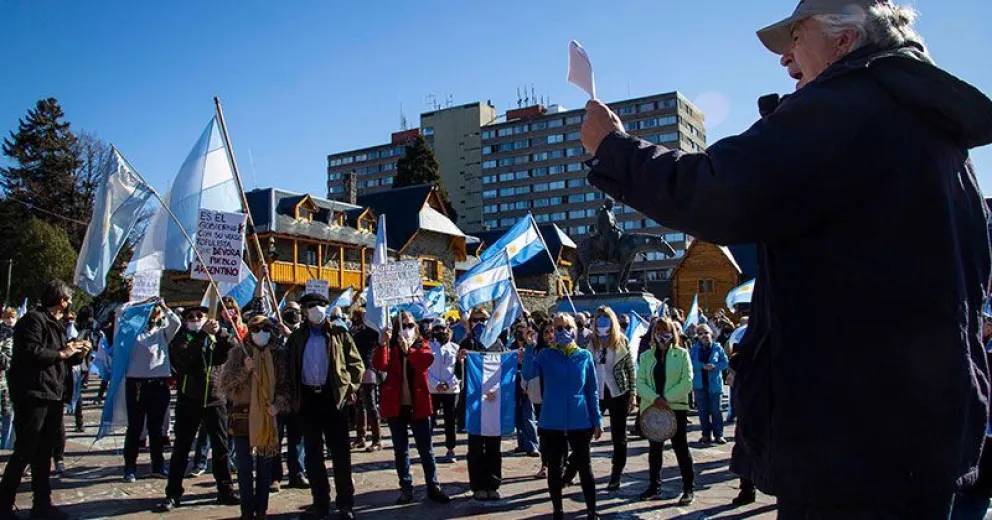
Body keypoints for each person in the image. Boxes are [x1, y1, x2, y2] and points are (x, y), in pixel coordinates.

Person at [581, 1, 992, 515]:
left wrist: (613, 148)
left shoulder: (846, 105)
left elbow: (720, 190)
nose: (785, 59)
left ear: (845, 40)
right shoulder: (937, 135)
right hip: (934, 431)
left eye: (796, 36)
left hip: (854, 440)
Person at [0, 281, 90, 520]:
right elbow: (31, 352)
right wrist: (62, 352)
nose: (69, 304)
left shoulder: (56, 324)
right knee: (26, 450)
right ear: (61, 300)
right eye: (67, 299)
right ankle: (3, 504)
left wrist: (77, 352)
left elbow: (61, 358)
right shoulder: (33, 320)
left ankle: (42, 504)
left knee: (43, 453)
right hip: (34, 394)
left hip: (52, 394)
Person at [287, 292, 364, 520]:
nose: (317, 309)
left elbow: (356, 364)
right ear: (304, 310)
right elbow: (288, 364)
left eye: (321, 305)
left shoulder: (339, 333)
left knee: (341, 453)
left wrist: (349, 388)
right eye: (311, 306)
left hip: (333, 398)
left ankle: (345, 503)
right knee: (313, 454)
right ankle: (320, 502)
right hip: (308, 398)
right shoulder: (297, 337)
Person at [156, 304, 240, 512]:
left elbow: (234, 349)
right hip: (189, 400)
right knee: (181, 449)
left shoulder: (215, 336)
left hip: (215, 399)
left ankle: (225, 490)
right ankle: (173, 493)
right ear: (186, 320)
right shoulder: (181, 338)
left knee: (221, 448)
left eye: (199, 316)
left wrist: (220, 332)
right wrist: (201, 336)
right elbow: (184, 360)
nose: (195, 319)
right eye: (191, 316)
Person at [523, 313, 602, 520]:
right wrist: (530, 347)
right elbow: (528, 375)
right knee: (555, 469)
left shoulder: (584, 356)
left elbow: (591, 390)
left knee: (585, 466)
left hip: (579, 419)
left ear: (574, 329)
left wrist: (597, 420)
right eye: (558, 328)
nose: (563, 331)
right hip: (552, 420)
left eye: (566, 327)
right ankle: (558, 510)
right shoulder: (545, 355)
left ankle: (592, 510)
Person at [373, 311, 450, 505]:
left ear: (416, 328)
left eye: (410, 325)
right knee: (401, 449)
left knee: (426, 449)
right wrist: (383, 344)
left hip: (419, 406)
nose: (407, 329)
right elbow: (379, 365)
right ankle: (406, 488)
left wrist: (409, 351)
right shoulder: (391, 348)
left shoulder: (421, 345)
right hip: (397, 407)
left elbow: (424, 362)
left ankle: (433, 486)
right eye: (403, 326)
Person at [219, 315, 292, 520]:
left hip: (268, 417)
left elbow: (286, 386)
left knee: (265, 466)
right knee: (244, 467)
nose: (261, 333)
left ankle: (261, 510)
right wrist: (245, 370)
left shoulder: (279, 355)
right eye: (256, 329)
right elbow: (226, 387)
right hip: (243, 416)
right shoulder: (238, 353)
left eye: (265, 329)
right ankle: (246, 511)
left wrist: (278, 405)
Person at [635, 317, 695, 505]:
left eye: (665, 330)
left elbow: (687, 381)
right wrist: (655, 399)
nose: (662, 334)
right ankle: (654, 486)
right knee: (655, 450)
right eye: (658, 330)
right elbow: (640, 382)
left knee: (681, 448)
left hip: (675, 407)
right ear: (653, 333)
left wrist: (667, 399)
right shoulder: (646, 356)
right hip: (653, 408)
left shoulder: (682, 354)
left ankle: (688, 488)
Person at [121, 299, 180, 482]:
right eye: (150, 313)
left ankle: (158, 465)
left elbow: (176, 322)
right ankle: (130, 467)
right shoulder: (132, 333)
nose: (153, 316)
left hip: (159, 384)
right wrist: (139, 303)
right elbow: (120, 312)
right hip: (136, 384)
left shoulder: (162, 333)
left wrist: (164, 306)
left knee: (156, 428)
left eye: (155, 313)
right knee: (135, 428)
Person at [458, 307, 507, 501]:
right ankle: (478, 485)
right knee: (476, 447)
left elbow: (505, 369)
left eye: (484, 319)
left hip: (493, 402)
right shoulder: (467, 343)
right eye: (475, 320)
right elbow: (458, 376)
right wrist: (459, 361)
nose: (480, 323)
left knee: (494, 446)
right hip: (474, 404)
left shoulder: (498, 343)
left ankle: (493, 483)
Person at [588, 306, 636, 490]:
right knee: (586, 431)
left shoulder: (621, 341)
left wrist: (632, 394)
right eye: (598, 318)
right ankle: (573, 468)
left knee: (618, 435)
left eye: (605, 318)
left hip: (618, 391)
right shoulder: (592, 342)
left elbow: (630, 369)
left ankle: (616, 473)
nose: (601, 322)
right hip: (597, 392)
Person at [271, 301, 308, 489]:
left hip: (296, 393)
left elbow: (306, 354)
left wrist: (291, 336)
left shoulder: (303, 334)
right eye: (288, 311)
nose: (292, 314)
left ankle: (297, 473)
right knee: (275, 436)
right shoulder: (273, 334)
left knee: (297, 437)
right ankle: (274, 476)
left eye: (295, 311)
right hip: (277, 393)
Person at [350, 307, 383, 452]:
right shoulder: (352, 330)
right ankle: (360, 437)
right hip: (356, 370)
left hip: (369, 367)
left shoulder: (372, 330)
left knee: (371, 404)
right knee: (358, 405)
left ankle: (377, 439)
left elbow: (375, 345)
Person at [427, 320, 460, 463]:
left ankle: (451, 448)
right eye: (436, 329)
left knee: (450, 420)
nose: (439, 332)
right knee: (430, 419)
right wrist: (435, 384)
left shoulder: (455, 348)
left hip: (451, 390)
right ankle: (427, 448)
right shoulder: (428, 348)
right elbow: (425, 369)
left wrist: (448, 384)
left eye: (442, 328)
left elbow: (459, 371)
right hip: (433, 390)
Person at [690, 325, 728, 444]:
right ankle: (706, 434)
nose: (704, 336)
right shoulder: (694, 349)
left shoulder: (718, 348)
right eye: (700, 334)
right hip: (700, 385)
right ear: (698, 336)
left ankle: (719, 435)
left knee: (716, 410)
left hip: (714, 385)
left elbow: (725, 363)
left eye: (706, 332)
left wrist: (715, 367)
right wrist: (702, 366)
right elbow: (690, 364)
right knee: (703, 411)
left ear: (711, 333)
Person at [508, 322, 540, 459]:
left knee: (528, 416)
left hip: (528, 384)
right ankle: (522, 443)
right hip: (513, 382)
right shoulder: (511, 346)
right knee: (518, 417)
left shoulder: (533, 346)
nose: (520, 334)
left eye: (523, 331)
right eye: (518, 331)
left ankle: (533, 445)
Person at [0, 309, 14, 450]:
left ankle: (4, 445)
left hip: (3, 383)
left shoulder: (8, 334)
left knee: (6, 414)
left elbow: (7, 361)